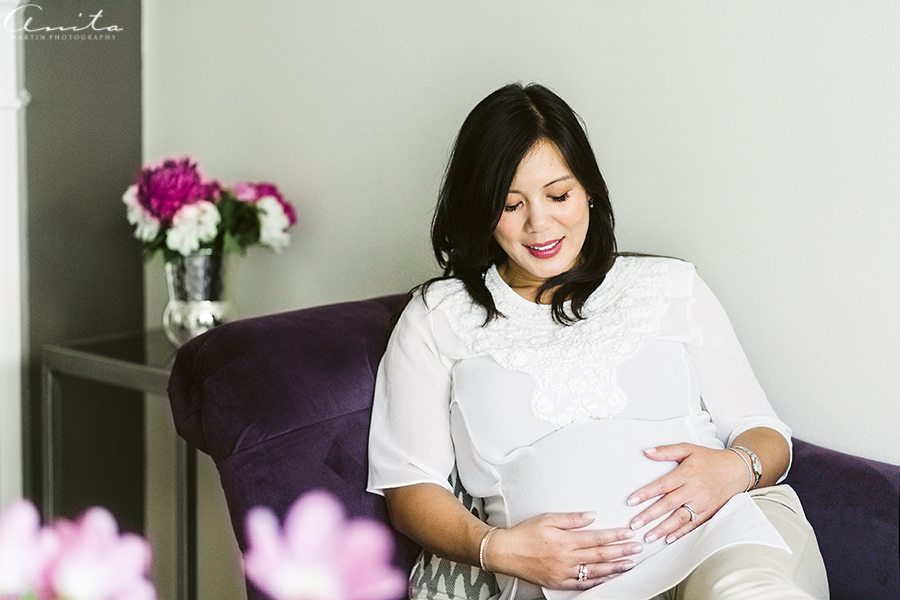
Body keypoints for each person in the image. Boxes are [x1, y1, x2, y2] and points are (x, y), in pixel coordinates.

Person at [367, 83, 829, 600]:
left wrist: (734, 469)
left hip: (723, 539)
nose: (539, 224)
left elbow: (764, 431)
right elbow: (409, 489)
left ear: (589, 189)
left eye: (558, 195)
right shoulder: (437, 318)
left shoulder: (669, 286)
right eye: (510, 204)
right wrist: (497, 550)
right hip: (566, 586)